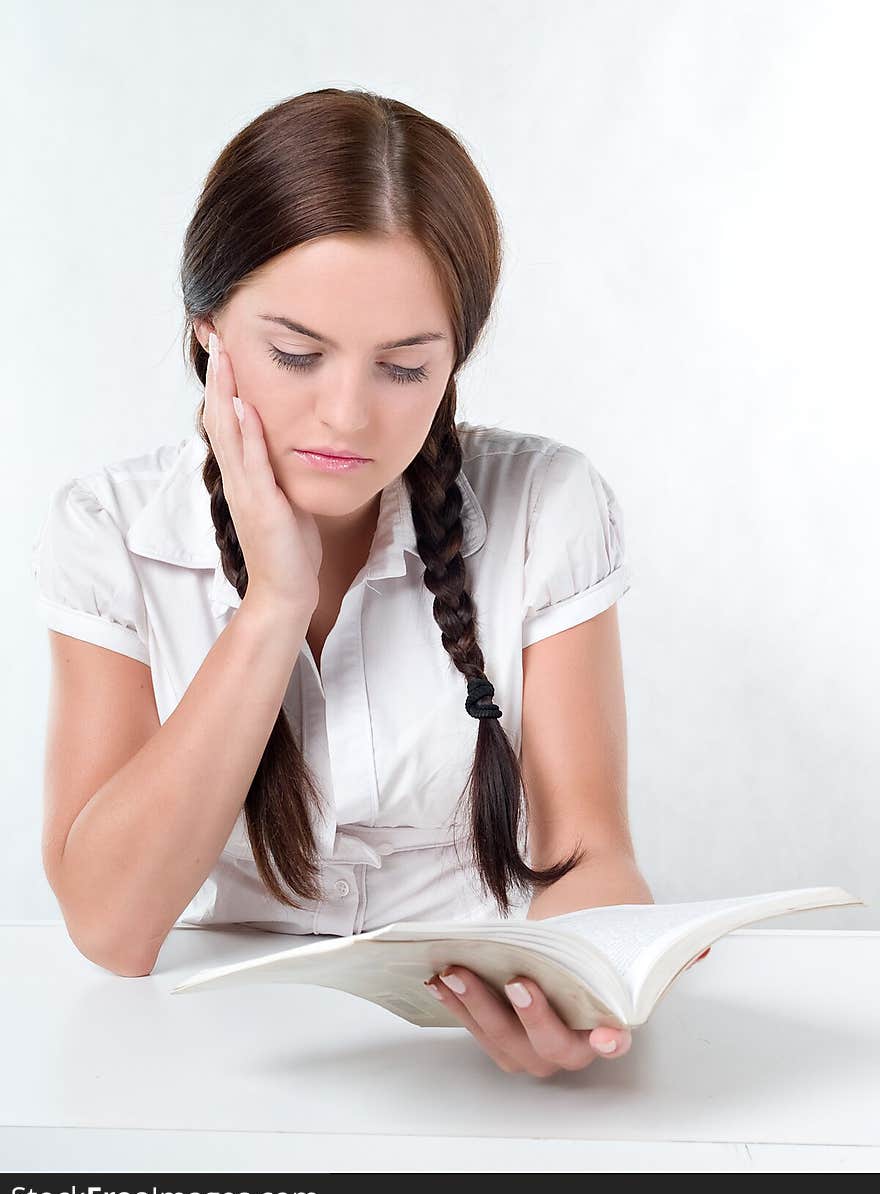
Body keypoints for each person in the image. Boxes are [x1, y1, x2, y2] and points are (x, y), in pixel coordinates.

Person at [32, 87, 697, 1080]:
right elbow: (112, 927)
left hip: (468, 1040)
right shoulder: (109, 528)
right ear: (207, 328)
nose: (344, 415)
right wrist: (272, 608)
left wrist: (586, 979)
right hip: (210, 1050)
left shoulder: (542, 503)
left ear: (454, 360)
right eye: (296, 353)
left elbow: (589, 850)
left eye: (403, 367)